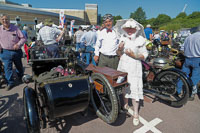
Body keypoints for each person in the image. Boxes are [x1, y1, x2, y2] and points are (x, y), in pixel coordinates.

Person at [116, 19, 148, 126]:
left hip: (135, 67)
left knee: (135, 90)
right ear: (124, 29)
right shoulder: (122, 38)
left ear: (136, 29)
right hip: (123, 66)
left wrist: (135, 56)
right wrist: (119, 49)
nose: (130, 30)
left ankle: (136, 113)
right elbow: (118, 53)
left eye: (132, 28)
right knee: (125, 87)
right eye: (127, 28)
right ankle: (125, 104)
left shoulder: (141, 39)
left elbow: (144, 55)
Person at [0, 14, 26, 91]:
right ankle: (10, 83)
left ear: (9, 20)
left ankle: (21, 77)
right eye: (2, 19)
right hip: (5, 52)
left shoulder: (15, 28)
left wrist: (18, 44)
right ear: (1, 20)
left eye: (6, 19)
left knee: (19, 66)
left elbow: (23, 38)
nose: (5, 21)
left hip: (16, 51)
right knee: (7, 68)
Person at [178, 31, 200, 100]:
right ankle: (189, 93)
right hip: (197, 59)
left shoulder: (189, 37)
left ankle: (177, 90)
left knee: (182, 75)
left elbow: (181, 48)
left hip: (187, 58)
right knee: (195, 77)